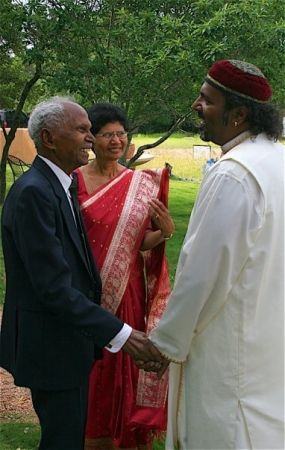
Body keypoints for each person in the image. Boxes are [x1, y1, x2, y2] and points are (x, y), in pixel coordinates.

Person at [0, 96, 164, 450]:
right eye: (82, 130)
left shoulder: (61, 186)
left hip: (68, 341)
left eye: (91, 129)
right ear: (48, 138)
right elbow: (53, 287)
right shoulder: (34, 194)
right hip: (51, 345)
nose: (91, 138)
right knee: (63, 440)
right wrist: (123, 334)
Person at [149, 60, 285, 449]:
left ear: (239, 114)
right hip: (270, 342)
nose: (196, 105)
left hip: (231, 352)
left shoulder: (234, 173)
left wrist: (166, 343)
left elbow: (202, 273)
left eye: (207, 100)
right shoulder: (278, 161)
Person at [74, 102, 175, 450]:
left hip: (128, 294)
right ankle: (93, 436)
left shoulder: (138, 184)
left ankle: (126, 436)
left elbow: (139, 243)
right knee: (95, 373)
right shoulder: (74, 183)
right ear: (92, 139)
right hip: (88, 295)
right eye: (107, 135)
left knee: (125, 364)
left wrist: (163, 232)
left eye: (121, 134)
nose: (116, 141)